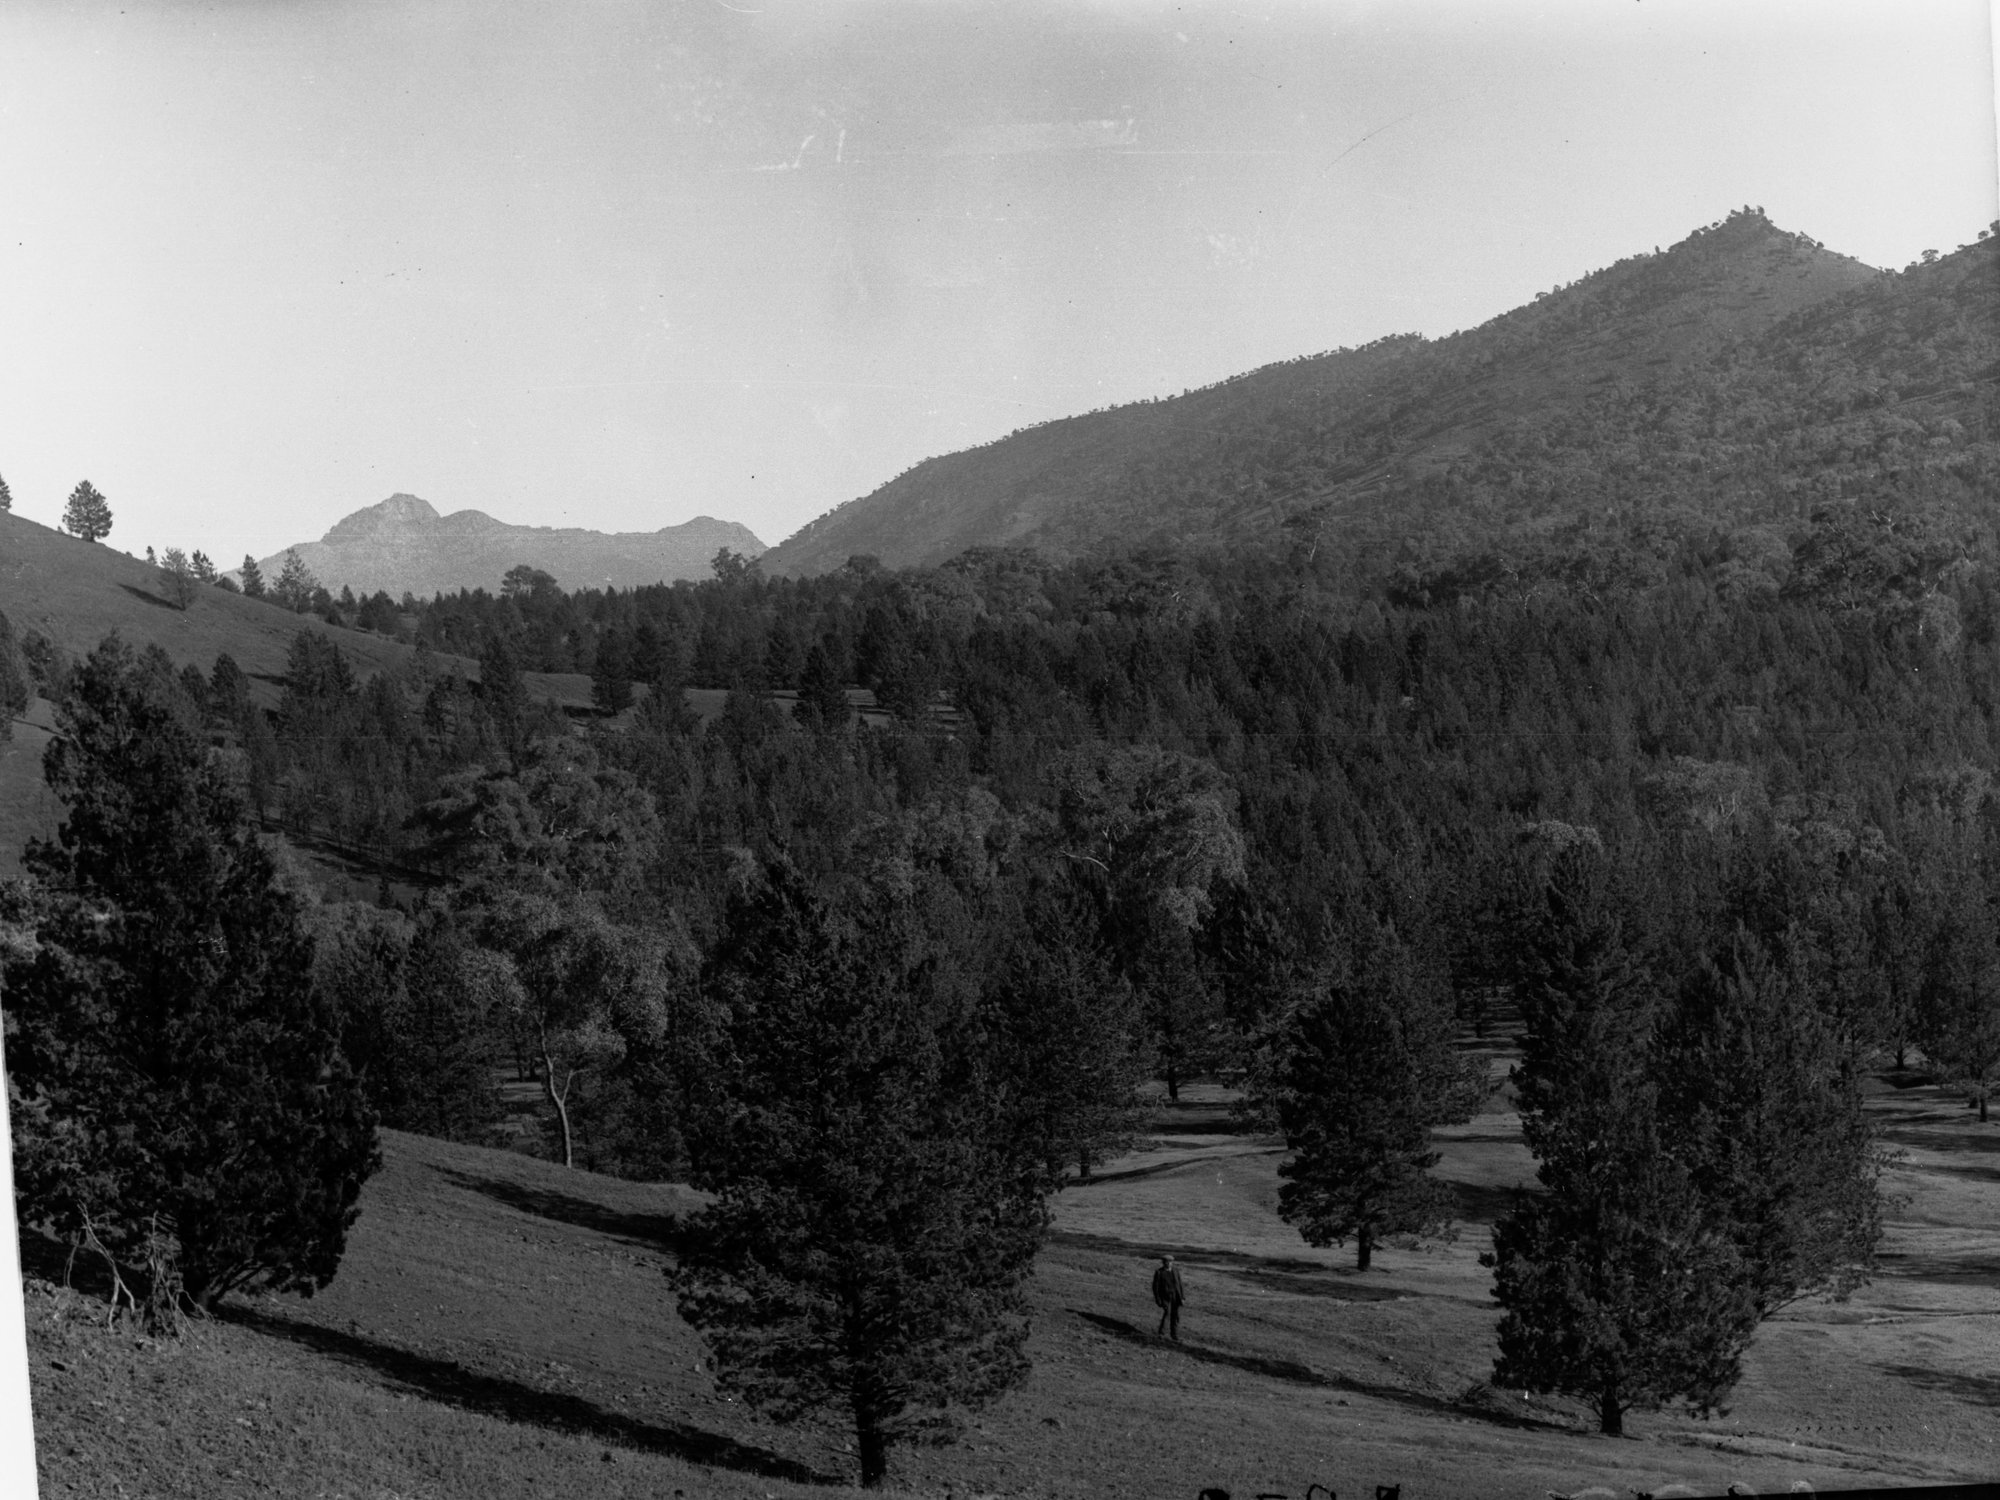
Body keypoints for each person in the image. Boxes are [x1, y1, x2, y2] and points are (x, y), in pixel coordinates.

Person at [1152, 1253, 1186, 1340]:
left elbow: (1180, 1285)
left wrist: (1182, 1297)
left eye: (1170, 1262)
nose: (1169, 1263)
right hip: (1165, 1297)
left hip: (1176, 1297)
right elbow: (1155, 1288)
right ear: (1163, 1263)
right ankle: (1161, 1333)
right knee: (1167, 1314)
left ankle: (1174, 1334)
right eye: (1166, 1262)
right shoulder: (1159, 1272)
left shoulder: (1175, 1271)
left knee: (1176, 1316)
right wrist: (1158, 1300)